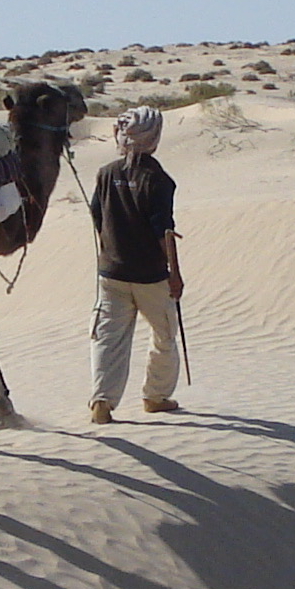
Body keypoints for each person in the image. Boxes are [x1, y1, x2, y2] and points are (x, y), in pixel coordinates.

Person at [87, 106, 185, 422]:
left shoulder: (106, 173)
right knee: (165, 335)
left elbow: (97, 216)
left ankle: (101, 402)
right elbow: (164, 231)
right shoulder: (158, 179)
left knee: (108, 338)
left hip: (111, 273)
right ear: (153, 138)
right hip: (150, 276)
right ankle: (155, 397)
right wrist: (175, 274)